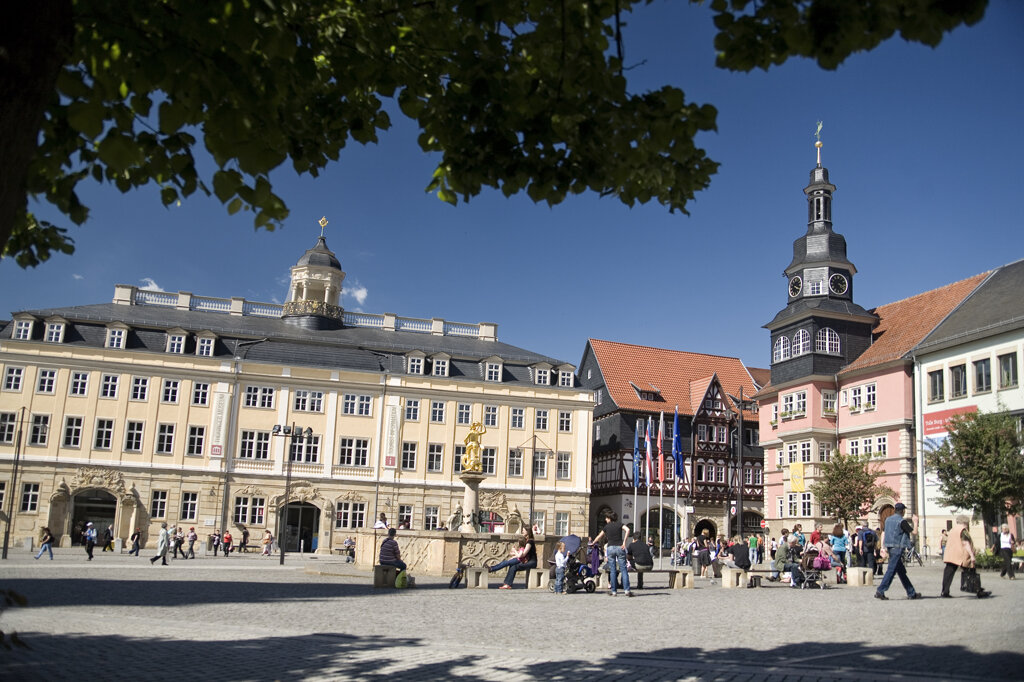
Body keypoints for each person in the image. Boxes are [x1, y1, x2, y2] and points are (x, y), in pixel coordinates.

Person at [875, 503, 922, 600]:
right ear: (902, 511)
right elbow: (914, 532)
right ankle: (880, 590)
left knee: (901, 572)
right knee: (891, 570)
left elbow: (884, 532)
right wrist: (915, 522)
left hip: (890, 547)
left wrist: (883, 547)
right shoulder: (902, 521)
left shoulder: (888, 520)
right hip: (898, 547)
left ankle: (911, 592)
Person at [940, 515, 990, 598]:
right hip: (961, 554)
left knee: (948, 574)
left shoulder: (952, 530)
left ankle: (944, 591)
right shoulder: (962, 530)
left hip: (951, 554)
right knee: (971, 572)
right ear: (965, 522)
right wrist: (972, 555)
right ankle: (978, 591)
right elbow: (965, 543)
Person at [589, 511, 633, 597]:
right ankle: (627, 590)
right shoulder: (620, 524)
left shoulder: (606, 527)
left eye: (606, 518)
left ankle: (614, 591)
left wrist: (593, 542)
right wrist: (624, 542)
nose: (605, 519)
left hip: (610, 548)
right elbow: (628, 530)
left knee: (612, 570)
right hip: (620, 547)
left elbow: (599, 535)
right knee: (623, 569)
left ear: (609, 518)